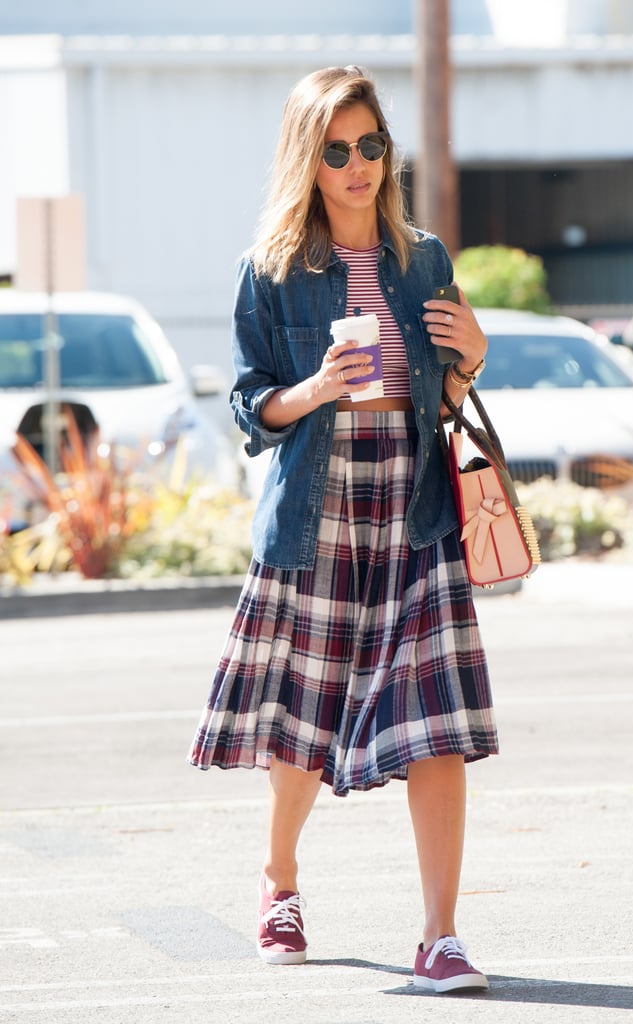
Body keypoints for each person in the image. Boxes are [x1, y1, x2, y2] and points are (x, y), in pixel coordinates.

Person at [188, 65, 498, 995]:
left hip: (414, 509)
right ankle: (279, 879)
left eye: (372, 146)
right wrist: (317, 389)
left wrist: (473, 358)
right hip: (318, 511)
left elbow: (441, 397)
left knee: (437, 727)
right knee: (304, 730)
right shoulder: (274, 271)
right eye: (338, 150)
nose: (359, 165)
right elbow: (250, 408)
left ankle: (441, 935)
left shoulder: (425, 261)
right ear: (308, 159)